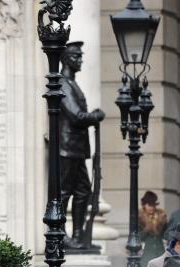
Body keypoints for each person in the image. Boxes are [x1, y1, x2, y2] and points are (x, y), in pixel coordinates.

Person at [59, 41, 106, 248]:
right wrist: (95, 116)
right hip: (67, 148)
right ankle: (59, 235)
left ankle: (79, 236)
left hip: (77, 149)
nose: (80, 60)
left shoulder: (72, 83)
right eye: (76, 56)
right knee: (64, 192)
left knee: (83, 192)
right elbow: (76, 115)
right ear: (67, 58)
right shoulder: (62, 83)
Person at [139, 190, 168, 267]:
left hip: (160, 252)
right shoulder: (139, 218)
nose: (151, 208)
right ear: (144, 205)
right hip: (146, 253)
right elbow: (138, 237)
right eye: (149, 205)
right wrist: (147, 228)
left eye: (153, 205)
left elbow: (166, 234)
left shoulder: (161, 217)